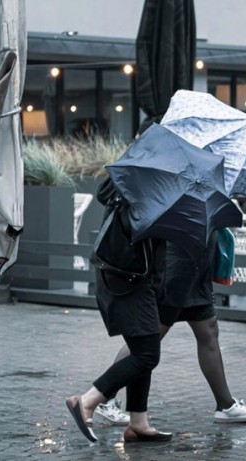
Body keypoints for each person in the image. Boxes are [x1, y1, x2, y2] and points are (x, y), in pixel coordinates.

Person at [91, 233, 246, 427]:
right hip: (178, 269)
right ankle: (103, 398)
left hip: (197, 268)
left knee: (208, 330)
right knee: (148, 341)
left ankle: (226, 405)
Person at [65, 179, 172, 444]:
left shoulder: (129, 178)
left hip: (127, 278)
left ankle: (138, 423)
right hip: (130, 281)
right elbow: (143, 227)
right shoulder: (144, 185)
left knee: (141, 348)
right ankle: (88, 400)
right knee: (147, 355)